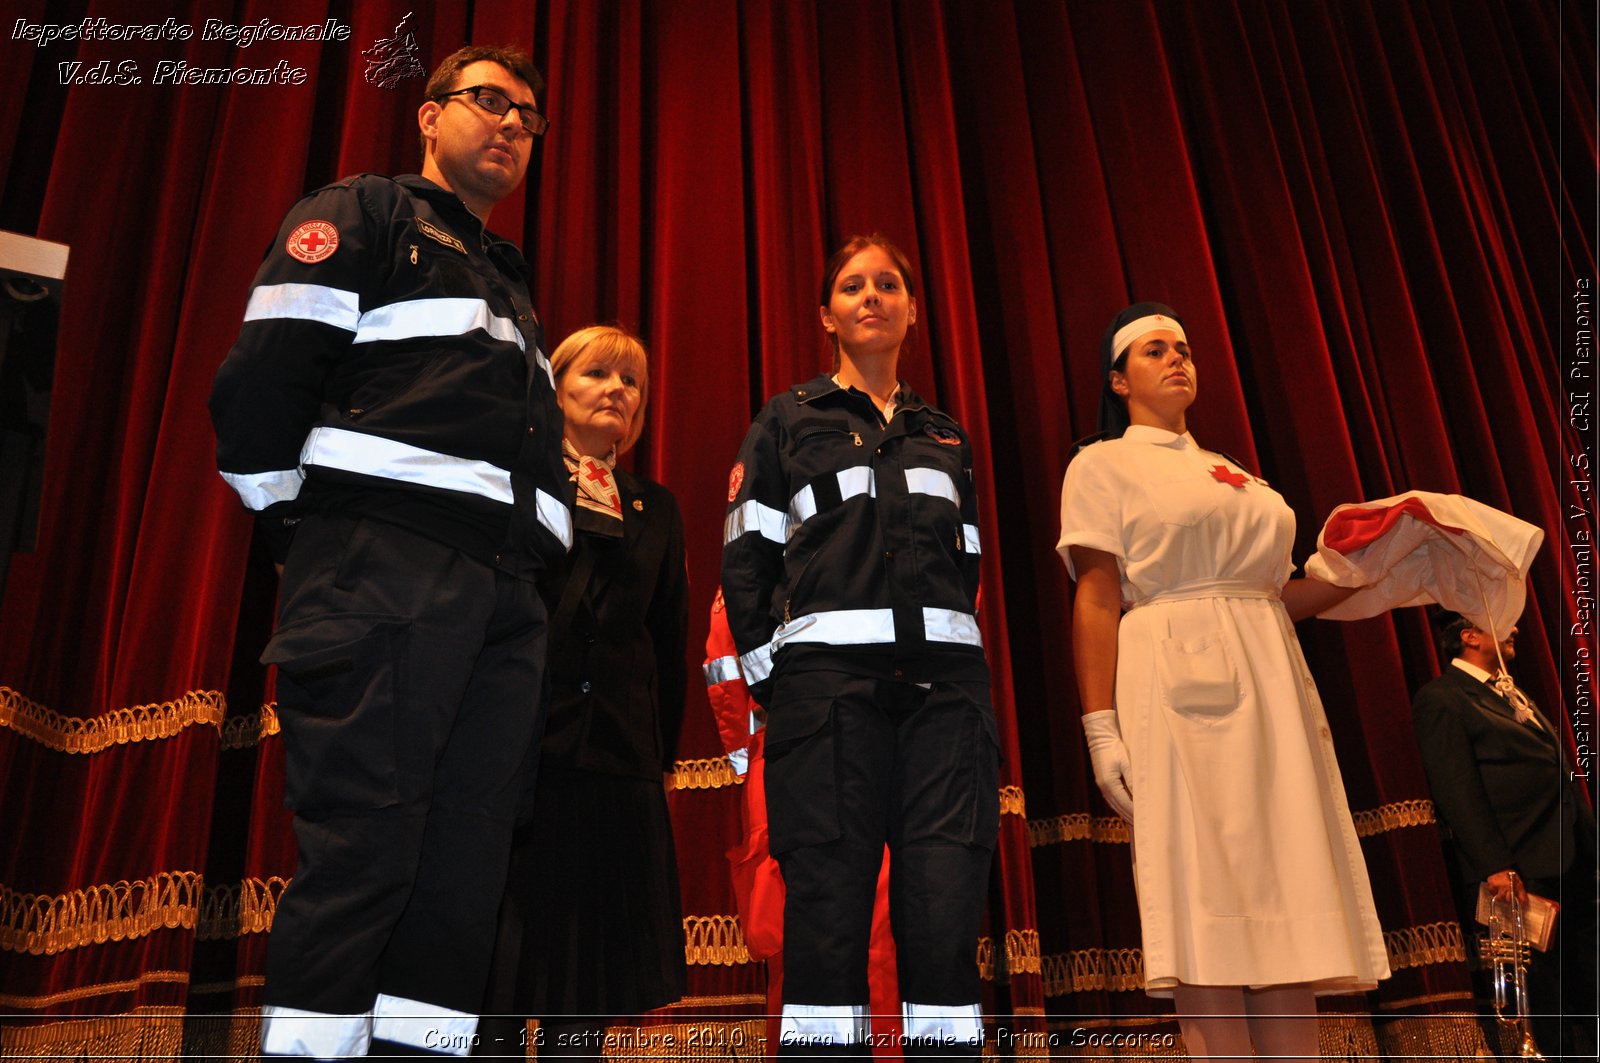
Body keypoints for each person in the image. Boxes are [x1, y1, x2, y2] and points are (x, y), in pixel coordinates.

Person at [209, 45, 569, 1058]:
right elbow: (259, 388)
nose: (508, 124)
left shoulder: (509, 279)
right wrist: (306, 533)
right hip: (386, 570)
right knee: (363, 858)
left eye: (527, 117)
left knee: (462, 879)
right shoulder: (365, 214)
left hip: (505, 598)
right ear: (428, 115)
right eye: (486, 101)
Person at [1057, 303, 1390, 1062]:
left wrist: (1369, 567)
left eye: (1184, 347)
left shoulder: (1238, 474)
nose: (1178, 358)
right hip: (1173, 682)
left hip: (1270, 684)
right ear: (1118, 379)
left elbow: (1278, 595)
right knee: (1205, 898)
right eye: (1154, 350)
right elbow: (1099, 594)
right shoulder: (1102, 464)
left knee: (1288, 889)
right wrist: (1100, 725)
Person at [720, 234, 999, 1059]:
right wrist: (786, 687)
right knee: (829, 922)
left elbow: (970, 564)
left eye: (888, 284)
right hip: (829, 700)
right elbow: (747, 560)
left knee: (945, 919)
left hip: (947, 704)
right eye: (852, 286)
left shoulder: (947, 436)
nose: (871, 296)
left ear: (912, 310)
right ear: (827, 315)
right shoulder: (786, 419)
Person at [474, 326, 689, 1059]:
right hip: (519, 751)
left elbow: (668, 640)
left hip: (616, 758)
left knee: (588, 984)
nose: (617, 391)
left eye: (631, 383)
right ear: (555, 389)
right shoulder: (513, 481)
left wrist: (657, 754)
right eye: (598, 373)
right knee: (501, 972)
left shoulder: (655, 508)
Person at [1411, 610, 1598, 1058]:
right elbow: (1457, 789)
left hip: (1569, 857)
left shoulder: (1510, 691)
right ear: (1470, 636)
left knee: (1587, 982)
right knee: (1544, 996)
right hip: (1522, 868)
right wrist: (1494, 864)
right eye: (1501, 622)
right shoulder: (1444, 698)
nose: (1514, 628)